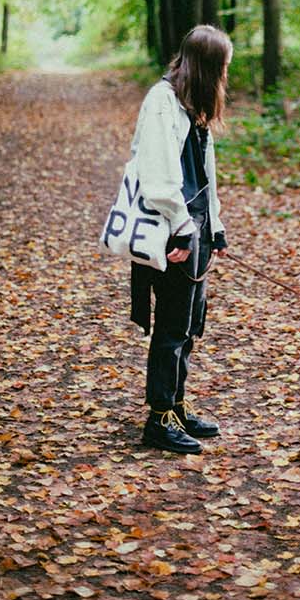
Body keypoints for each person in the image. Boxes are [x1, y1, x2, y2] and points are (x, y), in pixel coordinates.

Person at [128, 24, 234, 454]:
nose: (226, 76)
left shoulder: (193, 106)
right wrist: (183, 227)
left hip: (196, 228)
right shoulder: (162, 101)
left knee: (190, 325)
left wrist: (216, 226)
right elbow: (158, 176)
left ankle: (177, 405)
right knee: (172, 327)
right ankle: (159, 418)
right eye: (223, 67)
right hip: (174, 231)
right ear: (207, 66)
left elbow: (204, 174)